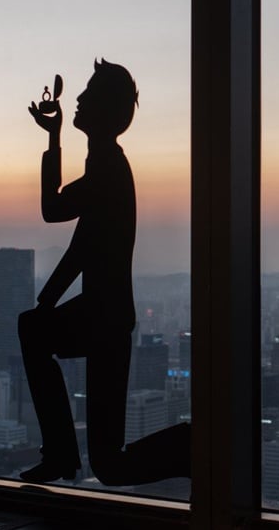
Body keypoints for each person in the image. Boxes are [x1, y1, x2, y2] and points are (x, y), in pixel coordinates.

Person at [18, 59, 189, 485]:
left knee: (109, 462)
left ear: (105, 110)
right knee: (109, 462)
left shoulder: (108, 168)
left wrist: (45, 304)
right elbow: (79, 241)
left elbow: (56, 214)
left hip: (104, 316)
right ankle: (192, 446)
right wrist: (45, 304)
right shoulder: (106, 163)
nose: (76, 99)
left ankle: (193, 445)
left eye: (88, 94)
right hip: (106, 314)